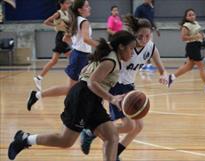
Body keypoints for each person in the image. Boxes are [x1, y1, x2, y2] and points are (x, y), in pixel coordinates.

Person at [7, 30, 137, 161]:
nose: (132, 52)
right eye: (131, 49)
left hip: (91, 98)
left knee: (112, 136)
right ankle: (25, 139)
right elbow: (92, 82)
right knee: (65, 141)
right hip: (83, 97)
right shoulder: (111, 61)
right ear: (121, 46)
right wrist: (112, 98)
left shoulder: (109, 52)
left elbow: (84, 72)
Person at [80, 15, 168, 161]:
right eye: (140, 36)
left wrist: (164, 74)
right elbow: (106, 48)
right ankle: (92, 132)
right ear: (134, 35)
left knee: (138, 126)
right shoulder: (125, 45)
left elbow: (161, 67)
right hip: (115, 86)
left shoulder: (151, 47)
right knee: (128, 126)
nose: (144, 39)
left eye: (147, 36)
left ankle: (115, 152)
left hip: (130, 87)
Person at [27, 0, 98, 111]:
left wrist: (76, 45)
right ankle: (37, 95)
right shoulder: (83, 21)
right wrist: (103, 46)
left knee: (85, 86)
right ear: (80, 9)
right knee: (72, 88)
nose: (90, 8)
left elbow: (66, 38)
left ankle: (83, 111)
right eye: (87, 6)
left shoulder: (75, 20)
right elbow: (86, 39)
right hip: (80, 57)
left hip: (80, 55)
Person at [167, 9, 205, 92]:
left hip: (196, 46)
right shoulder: (186, 25)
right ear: (186, 17)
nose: (191, 16)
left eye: (193, 14)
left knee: (189, 66)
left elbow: (199, 34)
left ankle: (171, 77)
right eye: (189, 15)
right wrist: (195, 37)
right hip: (192, 47)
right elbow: (183, 38)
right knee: (201, 66)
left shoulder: (196, 23)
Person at [34, 0, 72, 91]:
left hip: (64, 36)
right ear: (61, 4)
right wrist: (56, 25)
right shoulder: (58, 13)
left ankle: (39, 78)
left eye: (69, 3)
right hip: (61, 37)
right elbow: (46, 22)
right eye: (67, 3)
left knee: (54, 61)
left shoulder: (67, 13)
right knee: (72, 57)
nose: (68, 5)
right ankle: (75, 78)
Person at [135, 0, 160, 72]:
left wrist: (156, 28)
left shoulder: (151, 8)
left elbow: (151, 20)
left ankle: (147, 64)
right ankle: (141, 64)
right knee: (142, 47)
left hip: (150, 31)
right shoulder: (139, 8)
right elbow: (135, 19)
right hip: (142, 32)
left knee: (149, 47)